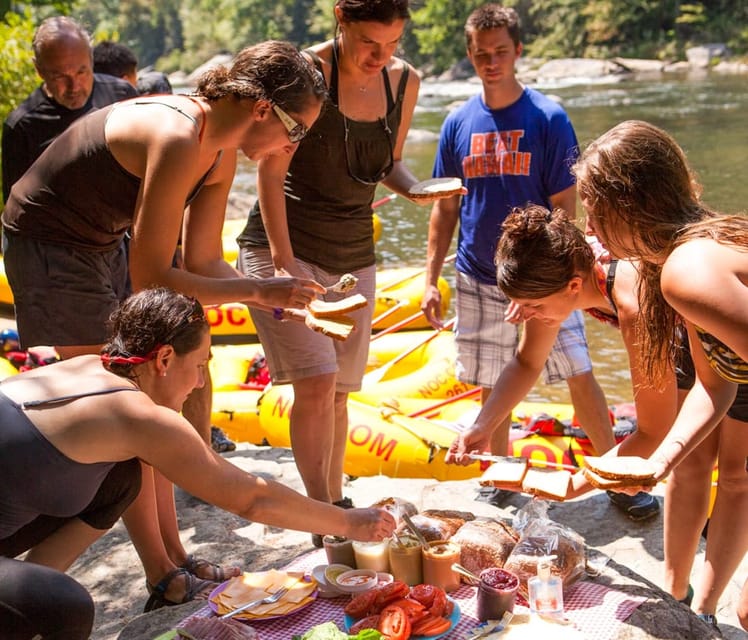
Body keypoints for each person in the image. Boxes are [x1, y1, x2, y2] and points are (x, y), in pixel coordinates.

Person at [2, 40, 328, 607]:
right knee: (127, 406)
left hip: (101, 238)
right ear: (262, 110)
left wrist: (276, 302)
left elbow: (201, 259)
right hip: (47, 239)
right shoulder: (180, 137)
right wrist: (258, 286)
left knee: (153, 403)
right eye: (295, 130)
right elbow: (154, 272)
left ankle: (176, 555)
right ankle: (163, 572)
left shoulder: (221, 149)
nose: (291, 146)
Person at [0, 288, 395, 637]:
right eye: (200, 365)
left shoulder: (90, 367)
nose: (201, 383)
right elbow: (249, 499)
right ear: (165, 358)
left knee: (122, 478)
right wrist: (347, 522)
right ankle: (35, 605)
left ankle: (29, 596)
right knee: (66, 607)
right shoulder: (139, 415)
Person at [446, 203, 748, 630]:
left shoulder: (632, 302)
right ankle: (677, 594)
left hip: (731, 335)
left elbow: (652, 431)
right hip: (683, 336)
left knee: (735, 475)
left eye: (531, 306)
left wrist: (578, 484)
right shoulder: (563, 265)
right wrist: (483, 425)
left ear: (572, 286)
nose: (525, 316)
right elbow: (527, 362)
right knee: (693, 463)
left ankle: (706, 608)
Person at [419, 4, 653, 517]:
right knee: (490, 373)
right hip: (480, 272)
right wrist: (430, 277)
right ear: (470, 55)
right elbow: (445, 207)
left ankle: (620, 478)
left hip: (549, 277)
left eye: (501, 51)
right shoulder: (458, 122)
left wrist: (557, 281)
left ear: (518, 50)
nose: (491, 62)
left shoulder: (547, 117)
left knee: (578, 370)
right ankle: (500, 475)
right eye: (481, 54)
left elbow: (564, 208)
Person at [236, 0, 453, 547]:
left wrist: (418, 190)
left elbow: (389, 165)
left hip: (353, 256)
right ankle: (324, 515)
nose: (381, 57)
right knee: (315, 380)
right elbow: (270, 168)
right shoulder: (306, 74)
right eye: (368, 44)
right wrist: (284, 265)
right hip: (283, 245)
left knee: (338, 393)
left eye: (393, 45)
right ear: (341, 20)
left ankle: (334, 503)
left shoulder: (405, 82)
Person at [574, 119, 748, 631]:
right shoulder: (669, 266)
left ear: (629, 207)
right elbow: (716, 384)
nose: (589, 230)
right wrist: (661, 461)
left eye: (595, 213)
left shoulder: (686, 272)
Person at [1, 16, 137, 203]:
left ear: (91, 60)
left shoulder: (122, 96)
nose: (74, 86)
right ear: (39, 70)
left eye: (81, 72)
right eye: (59, 76)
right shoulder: (22, 126)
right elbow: (15, 210)